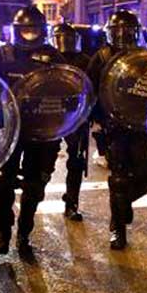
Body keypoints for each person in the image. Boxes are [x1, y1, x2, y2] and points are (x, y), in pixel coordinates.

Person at [0, 6, 64, 260]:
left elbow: (69, 90)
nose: (29, 34)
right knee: (4, 181)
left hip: (42, 131)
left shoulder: (53, 57)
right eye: (25, 30)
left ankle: (24, 234)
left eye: (34, 30)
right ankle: (4, 231)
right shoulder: (3, 55)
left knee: (34, 184)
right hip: (10, 129)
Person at [85, 10, 147, 250]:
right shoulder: (102, 57)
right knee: (118, 179)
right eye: (118, 31)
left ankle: (123, 206)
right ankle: (118, 228)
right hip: (113, 127)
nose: (123, 36)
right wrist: (96, 121)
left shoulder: (144, 57)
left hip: (138, 124)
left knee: (145, 178)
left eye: (128, 31)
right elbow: (89, 92)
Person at [52, 22, 92, 221]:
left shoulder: (84, 60)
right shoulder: (49, 58)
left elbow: (93, 88)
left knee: (76, 161)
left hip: (76, 116)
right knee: (42, 163)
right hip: (52, 114)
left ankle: (71, 202)